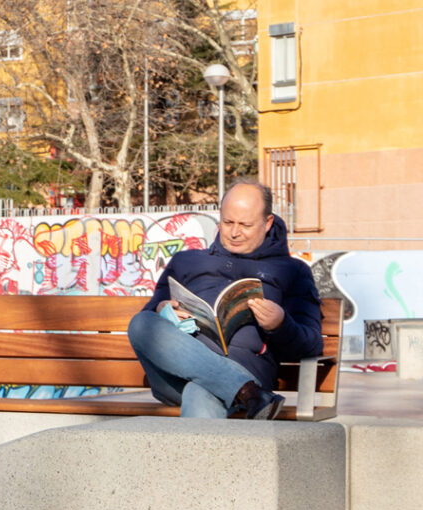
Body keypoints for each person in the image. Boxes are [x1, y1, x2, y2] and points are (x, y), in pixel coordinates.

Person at [128, 179, 323, 420]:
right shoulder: (186, 261)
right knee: (141, 323)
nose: (234, 232)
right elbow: (148, 324)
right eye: (228, 222)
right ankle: (247, 392)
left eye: (245, 225)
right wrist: (162, 309)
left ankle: (238, 391)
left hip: (245, 366)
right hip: (175, 374)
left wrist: (280, 324)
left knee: (202, 392)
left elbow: (311, 344)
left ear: (267, 222)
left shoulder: (292, 271)